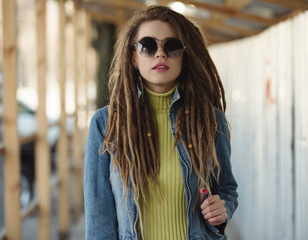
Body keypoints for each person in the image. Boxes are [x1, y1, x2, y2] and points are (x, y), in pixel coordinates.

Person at [84, 5, 238, 240]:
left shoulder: (209, 120)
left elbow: (226, 188)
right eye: (148, 46)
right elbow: (99, 217)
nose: (160, 54)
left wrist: (222, 207)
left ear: (185, 57)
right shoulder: (106, 124)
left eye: (172, 46)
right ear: (133, 57)